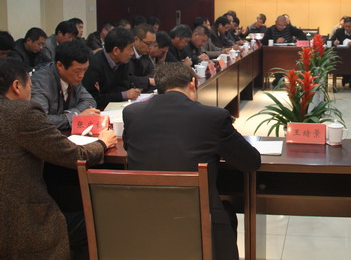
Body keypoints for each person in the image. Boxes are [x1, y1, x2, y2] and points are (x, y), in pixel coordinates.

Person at [122, 62, 261, 260]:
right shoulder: (213, 116)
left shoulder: (132, 113)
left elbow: (129, 146)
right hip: (197, 220)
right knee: (227, 212)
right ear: (192, 84)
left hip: (144, 219)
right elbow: (251, 161)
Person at [0, 57, 116, 259]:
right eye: (30, 86)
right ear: (17, 86)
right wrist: (103, 143)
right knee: (97, 220)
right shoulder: (22, 113)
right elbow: (73, 155)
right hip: (20, 218)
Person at [31, 39, 98, 131]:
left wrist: (73, 113)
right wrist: (75, 117)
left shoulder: (73, 77)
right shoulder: (41, 82)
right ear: (59, 65)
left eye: (85, 70)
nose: (81, 76)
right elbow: (40, 121)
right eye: (77, 71)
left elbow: (90, 102)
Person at [82, 27, 140, 110]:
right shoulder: (94, 65)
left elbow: (124, 86)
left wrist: (111, 94)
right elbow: (94, 99)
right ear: (116, 50)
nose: (132, 53)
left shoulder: (123, 61)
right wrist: (122, 95)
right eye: (130, 48)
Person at [129, 23, 157, 92]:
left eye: (153, 44)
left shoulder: (145, 54)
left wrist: (143, 83)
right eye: (149, 43)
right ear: (136, 40)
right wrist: (147, 81)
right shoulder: (127, 54)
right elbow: (126, 78)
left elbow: (153, 73)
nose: (151, 47)